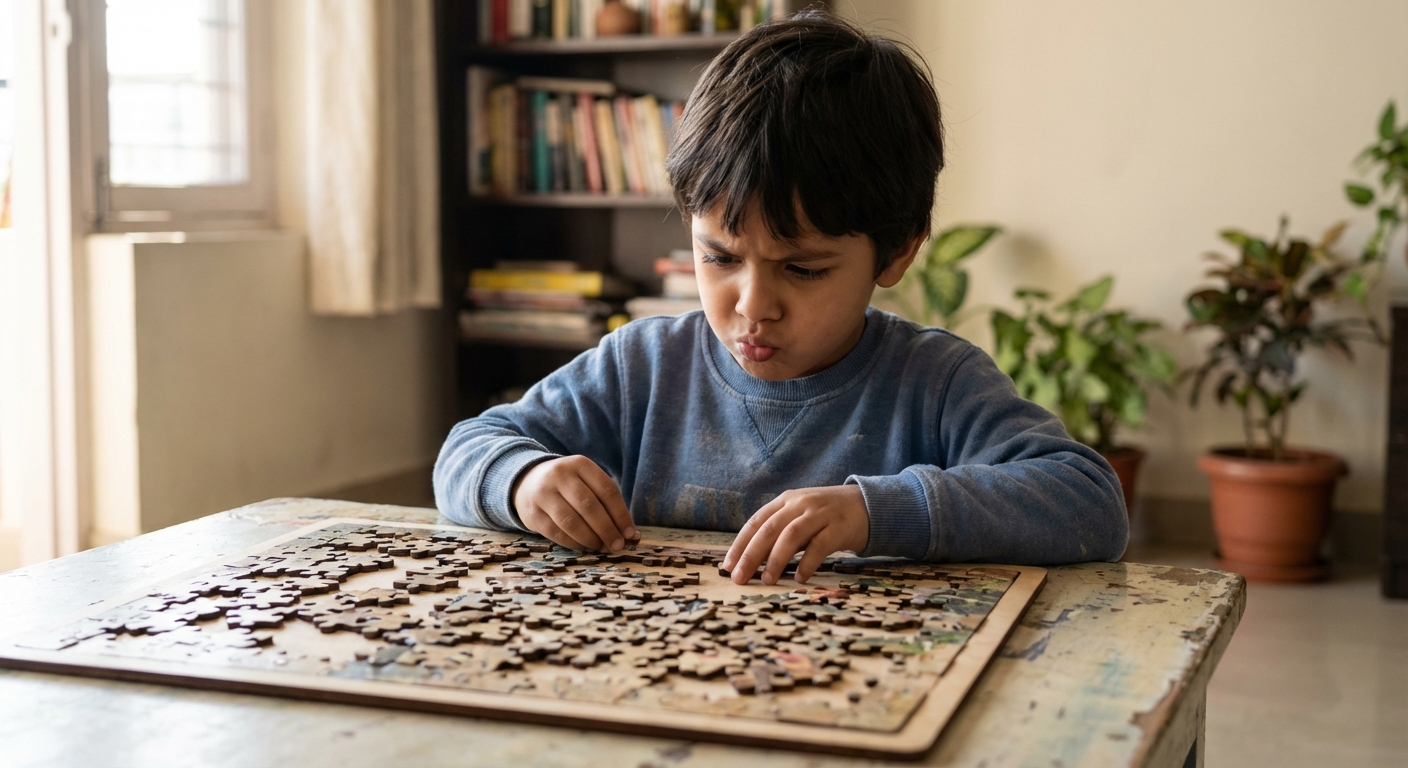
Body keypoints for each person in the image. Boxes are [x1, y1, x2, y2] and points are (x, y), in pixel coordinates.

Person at [434, 11, 1127, 586]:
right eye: (720, 258)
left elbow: (1089, 503)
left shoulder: (937, 384)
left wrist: (875, 511)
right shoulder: (640, 366)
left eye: (802, 268)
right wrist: (523, 479)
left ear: (897, 253)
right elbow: (468, 450)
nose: (752, 305)